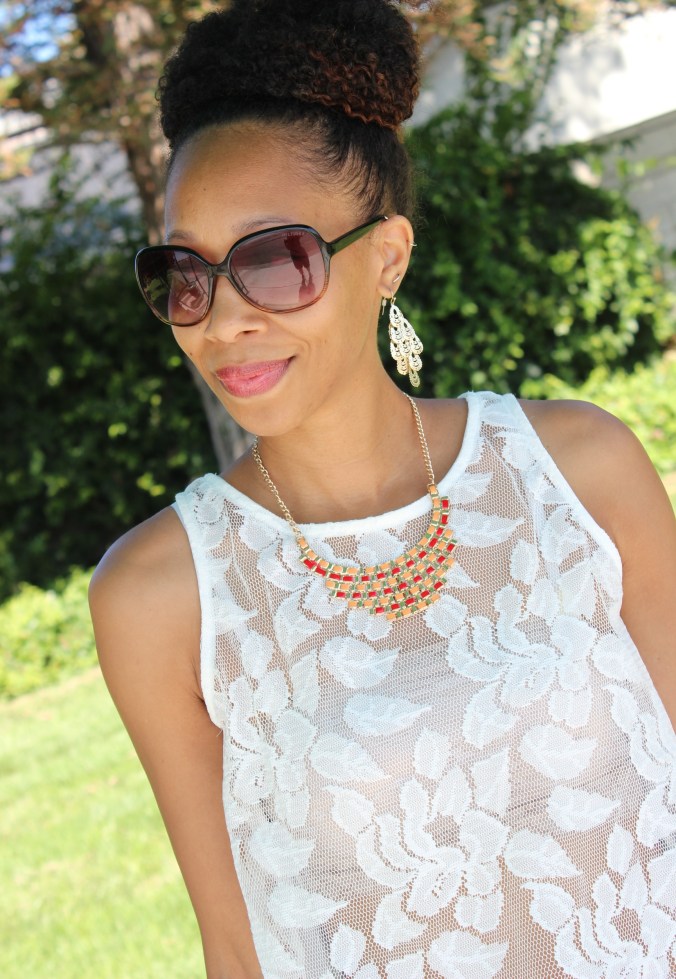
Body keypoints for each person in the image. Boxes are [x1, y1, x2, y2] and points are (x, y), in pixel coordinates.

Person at [89, 1, 676, 977]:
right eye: (184, 273)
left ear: (387, 257)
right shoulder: (158, 595)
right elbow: (236, 946)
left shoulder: (581, 468)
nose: (221, 319)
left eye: (275, 260)